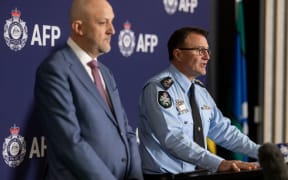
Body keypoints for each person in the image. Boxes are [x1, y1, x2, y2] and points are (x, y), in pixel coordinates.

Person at [34, 0, 143, 180]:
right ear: (79, 28)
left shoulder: (105, 73)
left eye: (112, 21)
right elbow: (69, 143)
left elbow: (126, 131)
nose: (112, 30)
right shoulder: (55, 70)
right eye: (103, 23)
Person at [138, 26, 260, 179]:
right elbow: (173, 138)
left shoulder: (200, 90)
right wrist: (219, 163)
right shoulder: (159, 89)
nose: (207, 57)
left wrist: (260, 152)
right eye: (200, 50)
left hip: (197, 174)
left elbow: (223, 130)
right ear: (178, 54)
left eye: (208, 51)